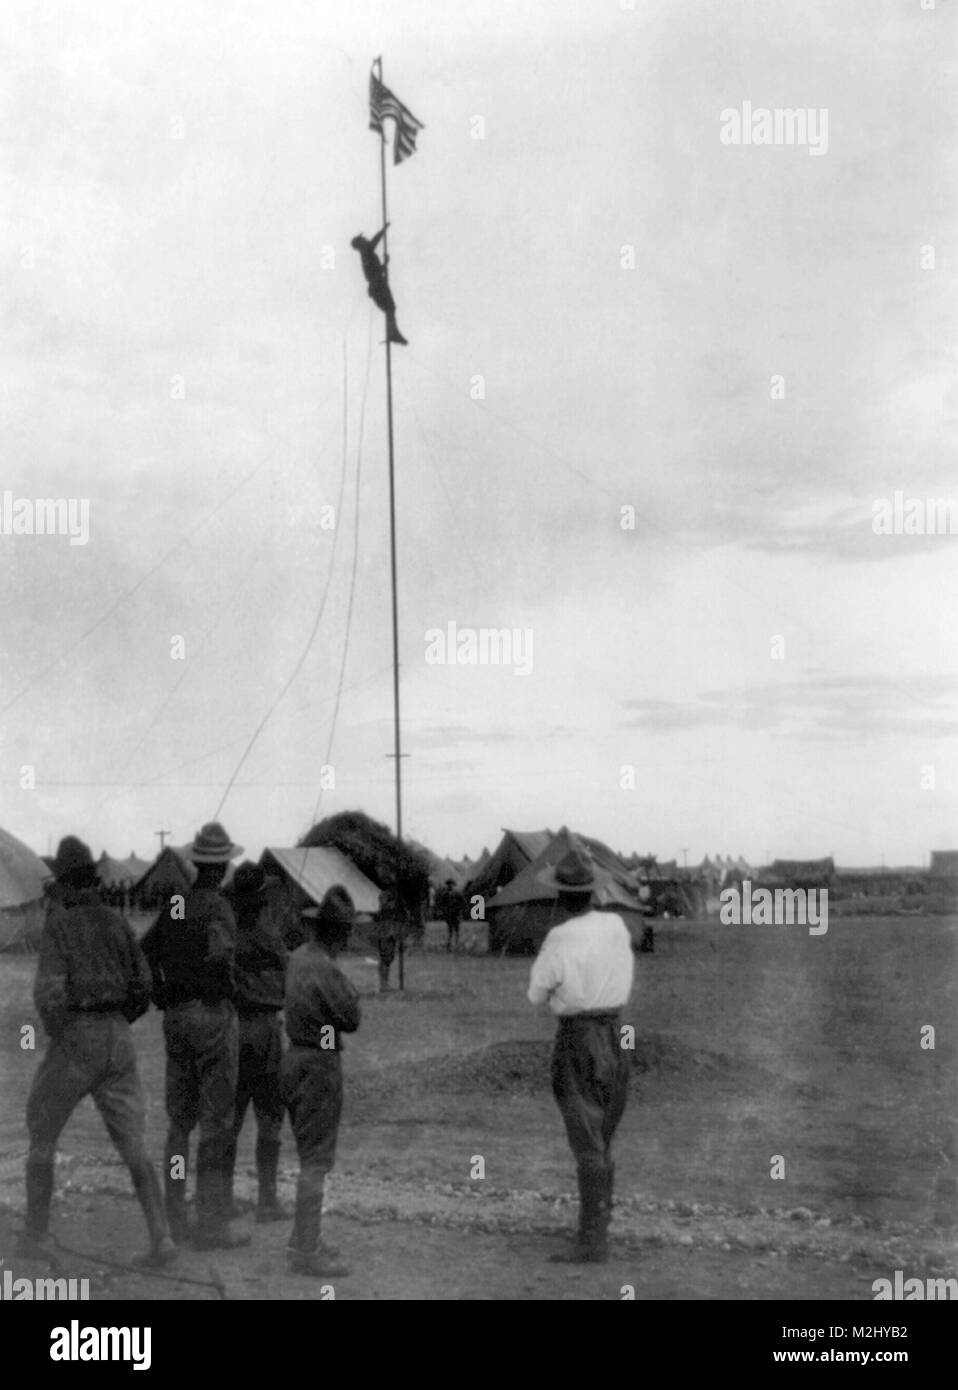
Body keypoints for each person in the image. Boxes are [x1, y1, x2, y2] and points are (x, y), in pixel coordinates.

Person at [21, 836, 175, 1267]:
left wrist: (66, 1032)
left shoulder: (61, 925)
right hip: (117, 1038)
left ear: (66, 885)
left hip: (77, 1037)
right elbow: (144, 985)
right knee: (134, 1144)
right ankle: (161, 1237)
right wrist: (117, 1021)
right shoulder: (116, 921)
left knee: (41, 1128)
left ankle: (35, 1233)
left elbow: (48, 995)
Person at [141, 821, 249, 1250]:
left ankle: (174, 1216)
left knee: (179, 1124)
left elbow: (146, 949)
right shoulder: (218, 907)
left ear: (195, 862)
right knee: (217, 1124)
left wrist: (162, 990)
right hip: (211, 1016)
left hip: (177, 1018)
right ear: (222, 866)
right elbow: (221, 959)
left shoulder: (179, 904)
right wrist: (231, 991)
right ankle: (210, 1223)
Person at [527, 847, 634, 1264]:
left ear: (561, 896)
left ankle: (592, 1240)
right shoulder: (617, 926)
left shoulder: (559, 938)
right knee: (605, 1129)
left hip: (580, 1036)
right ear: (593, 893)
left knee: (585, 1134)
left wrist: (562, 986)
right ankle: (599, 1225)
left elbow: (536, 993)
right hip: (620, 1032)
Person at [281, 887, 360, 1277]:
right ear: (339, 933)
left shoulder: (296, 958)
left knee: (306, 1153)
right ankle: (308, 1250)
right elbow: (352, 1017)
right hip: (318, 1062)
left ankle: (303, 1237)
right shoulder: (328, 969)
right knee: (316, 1161)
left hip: (293, 1056)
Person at [223, 861, 288, 1223]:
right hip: (265, 1028)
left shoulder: (229, 934)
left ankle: (225, 1198)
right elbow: (285, 975)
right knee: (269, 1115)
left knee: (231, 1118)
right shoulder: (271, 936)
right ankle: (267, 1200)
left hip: (235, 1028)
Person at [375, 886, 402, 991]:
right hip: (386, 939)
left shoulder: (386, 913)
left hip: (387, 939)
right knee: (385, 961)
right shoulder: (384, 914)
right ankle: (383, 984)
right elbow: (387, 928)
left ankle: (385, 983)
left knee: (387, 961)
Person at [436, 878, 463, 952]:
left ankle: (457, 944)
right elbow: (442, 904)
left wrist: (460, 912)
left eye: (451, 884)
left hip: (456, 914)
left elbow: (462, 903)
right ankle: (449, 945)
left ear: (453, 885)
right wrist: (443, 911)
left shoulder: (458, 894)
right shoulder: (445, 894)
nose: (450, 886)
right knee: (450, 930)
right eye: (448, 884)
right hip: (449, 914)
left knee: (457, 930)